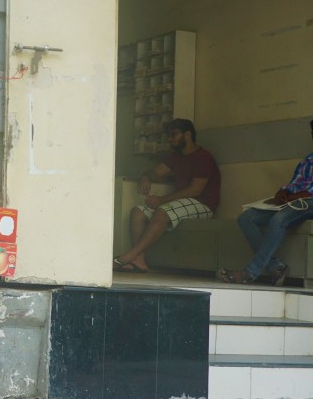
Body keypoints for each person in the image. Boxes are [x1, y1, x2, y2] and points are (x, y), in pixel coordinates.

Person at [114, 118, 221, 273]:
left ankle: (126, 258)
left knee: (162, 211)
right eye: (169, 136)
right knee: (138, 211)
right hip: (181, 204)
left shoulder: (203, 157)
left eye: (174, 135)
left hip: (203, 204)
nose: (170, 139)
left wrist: (161, 200)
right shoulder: (175, 157)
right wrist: (146, 177)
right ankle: (139, 260)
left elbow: (195, 190)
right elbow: (155, 172)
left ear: (187, 135)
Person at [217, 120, 313, 285]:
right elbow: (295, 183)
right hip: (292, 200)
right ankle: (275, 267)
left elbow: (308, 192)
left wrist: (295, 197)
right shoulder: (308, 160)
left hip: (308, 202)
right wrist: (283, 192)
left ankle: (249, 272)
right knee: (246, 218)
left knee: (279, 219)